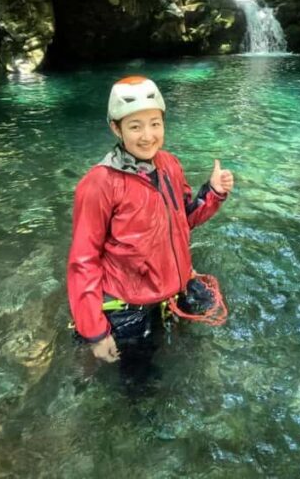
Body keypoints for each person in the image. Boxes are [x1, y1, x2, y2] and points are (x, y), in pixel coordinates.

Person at [67, 75, 234, 368]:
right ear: (115, 128)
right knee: (142, 387)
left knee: (188, 360)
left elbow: (184, 219)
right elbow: (84, 262)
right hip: (128, 305)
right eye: (135, 126)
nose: (147, 136)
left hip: (171, 292)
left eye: (155, 123)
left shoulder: (169, 164)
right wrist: (95, 333)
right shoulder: (98, 185)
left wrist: (213, 193)